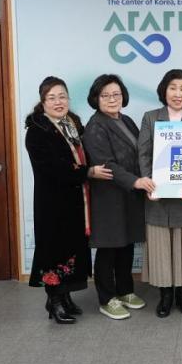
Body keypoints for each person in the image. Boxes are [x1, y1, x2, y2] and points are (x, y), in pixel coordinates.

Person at [25, 76, 113, 324]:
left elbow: (83, 155)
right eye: (52, 97)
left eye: (62, 96)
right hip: (52, 203)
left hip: (75, 200)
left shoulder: (72, 123)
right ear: (43, 102)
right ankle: (54, 301)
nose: (58, 102)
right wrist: (88, 172)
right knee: (54, 251)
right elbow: (53, 168)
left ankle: (65, 297)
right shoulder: (37, 130)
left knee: (72, 249)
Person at [82, 74, 155, 320]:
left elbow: (141, 153)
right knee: (108, 248)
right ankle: (106, 299)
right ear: (96, 98)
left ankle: (125, 290)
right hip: (108, 198)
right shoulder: (95, 126)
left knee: (126, 244)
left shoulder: (127, 120)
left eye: (116, 94)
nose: (112, 99)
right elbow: (107, 165)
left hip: (129, 197)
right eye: (105, 95)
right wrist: (136, 181)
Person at [138, 69, 182, 318]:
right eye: (173, 88)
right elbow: (144, 153)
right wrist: (149, 183)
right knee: (161, 247)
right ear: (164, 91)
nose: (178, 94)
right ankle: (165, 295)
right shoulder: (150, 118)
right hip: (158, 196)